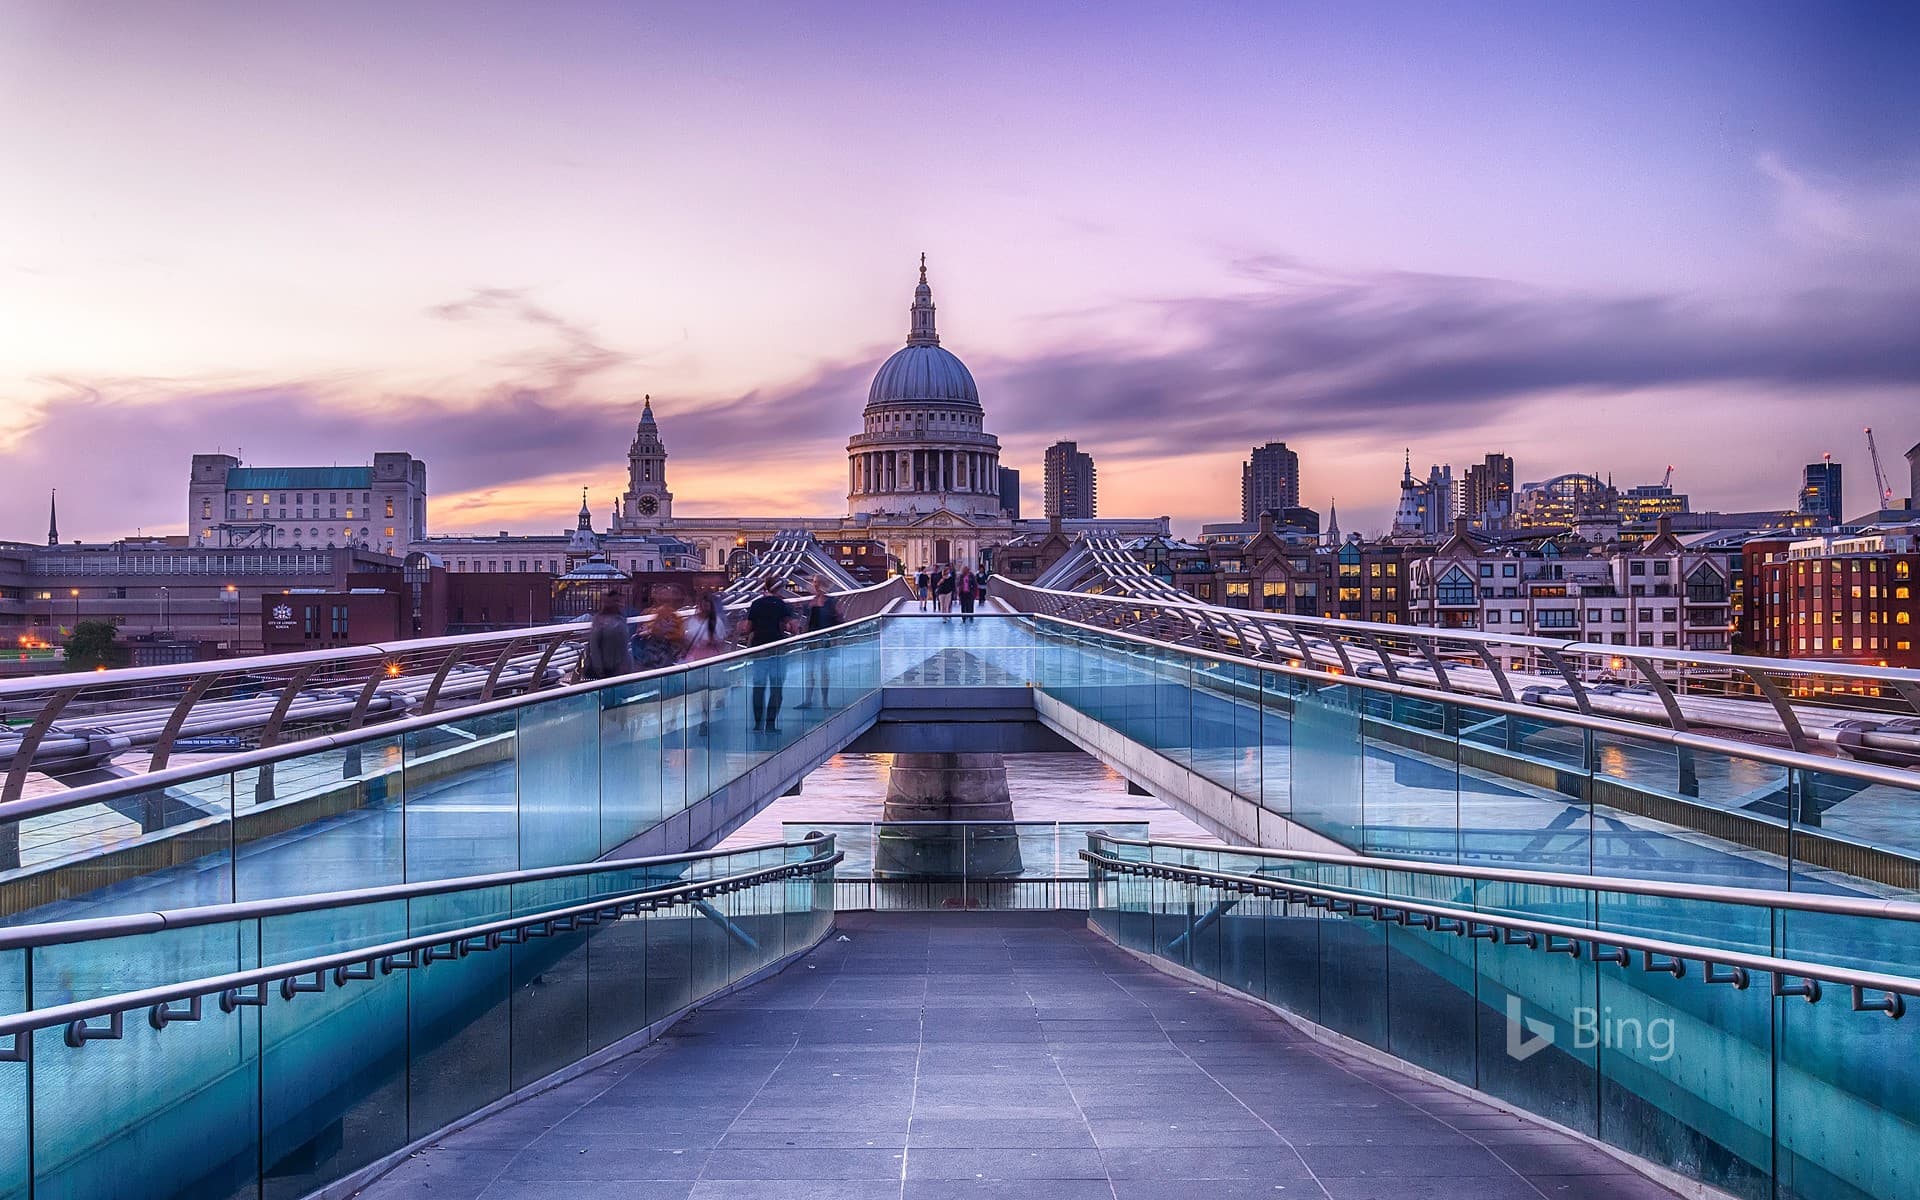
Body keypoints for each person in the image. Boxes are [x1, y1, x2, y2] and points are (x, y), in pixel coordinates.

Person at [739, 579, 796, 733]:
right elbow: (793, 627)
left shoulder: (756, 604)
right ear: (779, 589)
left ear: (765, 587)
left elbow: (748, 628)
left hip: (758, 648)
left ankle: (758, 724)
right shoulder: (782, 605)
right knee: (776, 687)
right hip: (777, 648)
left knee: (759, 687)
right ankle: (770, 724)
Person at [801, 575, 841, 708]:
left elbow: (838, 619)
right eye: (814, 582)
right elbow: (806, 623)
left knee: (824, 670)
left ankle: (824, 701)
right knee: (809, 671)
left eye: (817, 582)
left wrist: (835, 637)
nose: (815, 585)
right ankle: (808, 700)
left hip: (825, 640)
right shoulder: (809, 603)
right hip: (811, 640)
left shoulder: (830, 602)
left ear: (823, 584)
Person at [581, 592, 634, 680]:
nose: (621, 604)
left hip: (620, 669)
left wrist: (628, 667)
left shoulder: (621, 619)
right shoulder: (600, 620)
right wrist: (599, 669)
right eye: (617, 601)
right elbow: (594, 646)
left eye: (622, 601)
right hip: (608, 670)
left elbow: (625, 646)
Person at [632, 594, 684, 671]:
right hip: (654, 656)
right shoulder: (653, 612)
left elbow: (673, 633)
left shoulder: (674, 618)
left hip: (665, 658)